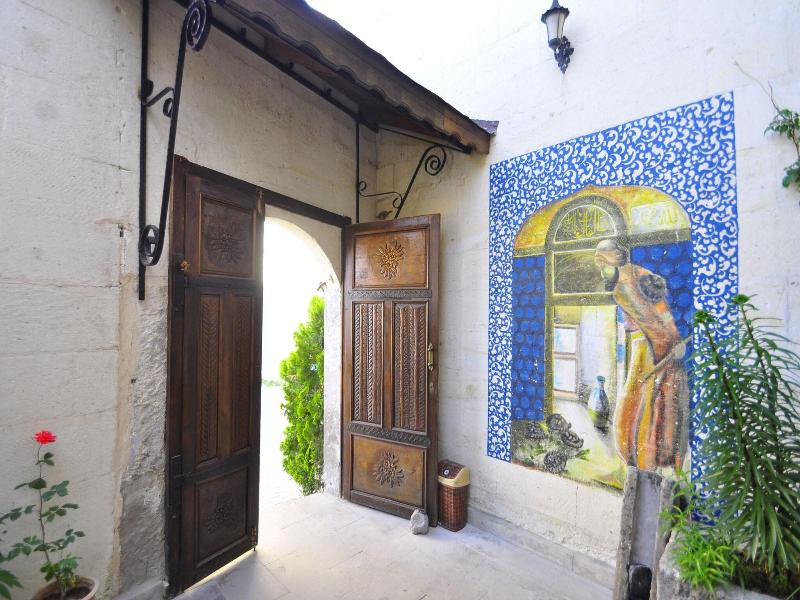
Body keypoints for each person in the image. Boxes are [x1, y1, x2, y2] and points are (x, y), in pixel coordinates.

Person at [594, 239, 688, 471]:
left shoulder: (632, 281)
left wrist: (672, 339)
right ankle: (639, 452)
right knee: (641, 397)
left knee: (649, 398)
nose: (601, 270)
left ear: (611, 260)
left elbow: (660, 313)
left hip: (652, 346)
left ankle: (647, 454)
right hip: (645, 344)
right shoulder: (624, 281)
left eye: (602, 264)